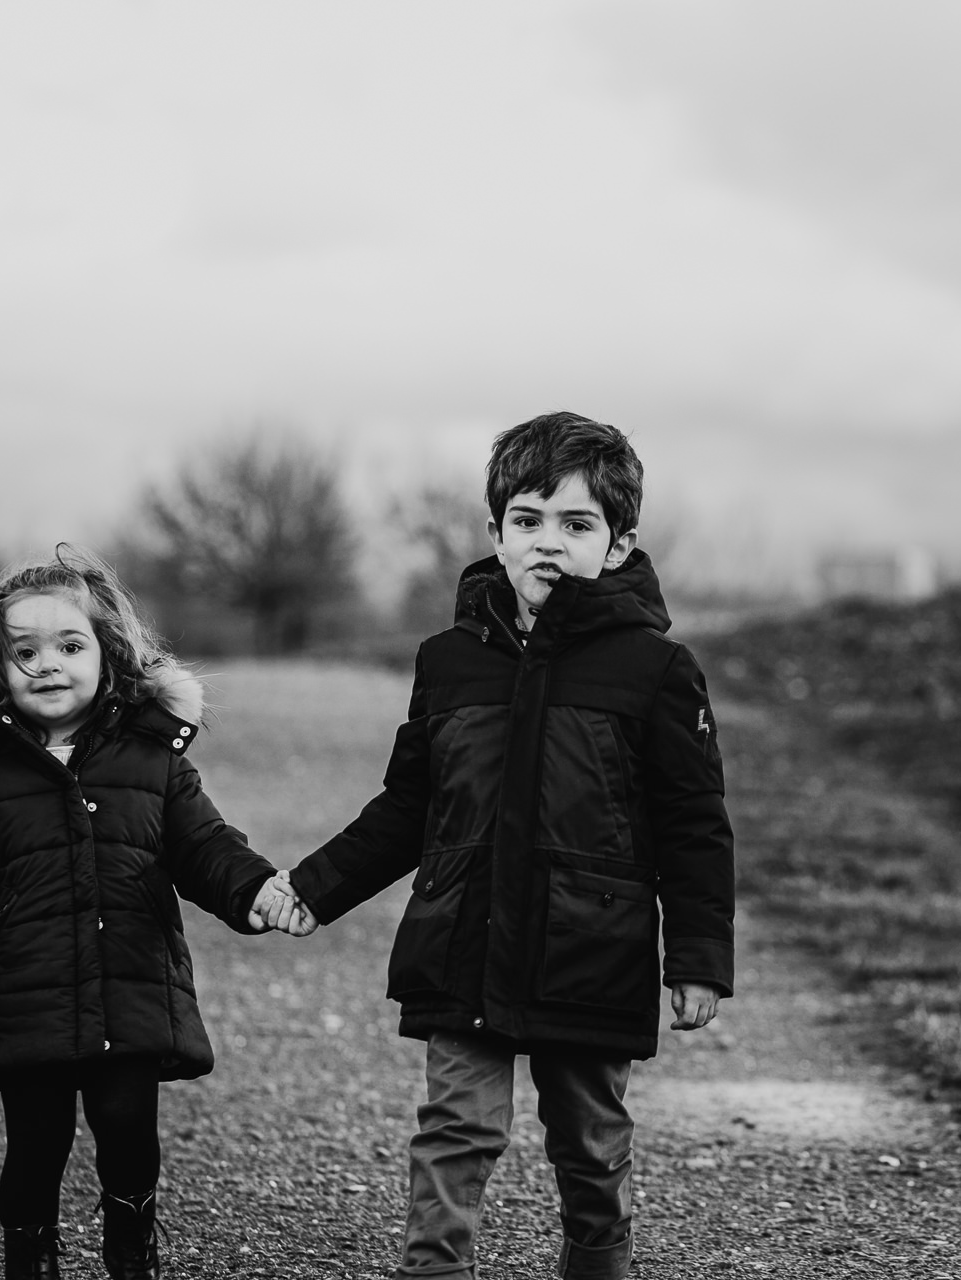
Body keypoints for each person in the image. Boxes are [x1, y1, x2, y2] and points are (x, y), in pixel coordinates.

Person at [279, 413, 735, 1280]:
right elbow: (411, 804)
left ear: (620, 541)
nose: (548, 543)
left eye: (577, 524)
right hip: (465, 939)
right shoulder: (449, 660)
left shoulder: (655, 671)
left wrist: (700, 957)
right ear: (496, 533)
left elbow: (695, 823)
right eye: (527, 521)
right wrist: (314, 887)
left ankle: (600, 1264)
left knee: (591, 1145)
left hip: (591, 948)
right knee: (456, 1132)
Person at [0, 545, 308, 1280]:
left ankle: (131, 1256)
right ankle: (32, 1258)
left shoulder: (151, 758)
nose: (47, 664)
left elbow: (204, 845)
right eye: (25, 651)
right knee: (36, 1142)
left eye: (69, 645)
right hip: (24, 993)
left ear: (108, 653)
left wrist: (254, 892)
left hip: (128, 985)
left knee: (127, 1131)